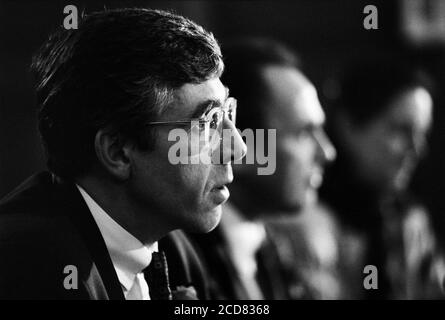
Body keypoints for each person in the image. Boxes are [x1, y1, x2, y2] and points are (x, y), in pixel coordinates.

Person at [0, 8, 246, 299]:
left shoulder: (176, 250)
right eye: (209, 122)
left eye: (227, 111)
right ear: (118, 152)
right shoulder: (31, 272)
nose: (238, 148)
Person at [190, 38, 336, 299]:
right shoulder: (180, 258)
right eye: (304, 133)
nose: (327, 152)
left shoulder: (278, 253)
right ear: (240, 144)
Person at [320, 58, 444, 299]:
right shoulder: (305, 220)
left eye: (422, 133)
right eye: (402, 130)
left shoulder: (411, 221)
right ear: (349, 125)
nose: (418, 149)